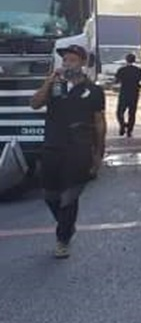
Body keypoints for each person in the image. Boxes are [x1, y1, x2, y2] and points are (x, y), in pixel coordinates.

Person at [29, 44, 106, 259]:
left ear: (82, 63)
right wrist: (48, 82)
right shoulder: (55, 87)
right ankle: (66, 225)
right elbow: (34, 104)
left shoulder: (93, 91)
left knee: (70, 196)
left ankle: (62, 240)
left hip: (79, 149)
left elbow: (99, 122)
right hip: (52, 146)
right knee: (50, 195)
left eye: (72, 60)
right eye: (65, 60)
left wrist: (99, 152)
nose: (67, 64)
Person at [114, 52, 141, 137]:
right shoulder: (138, 70)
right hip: (134, 93)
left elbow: (116, 81)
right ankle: (129, 130)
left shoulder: (122, 70)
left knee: (119, 112)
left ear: (126, 60)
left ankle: (122, 125)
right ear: (134, 60)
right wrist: (139, 86)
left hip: (124, 93)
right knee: (132, 113)